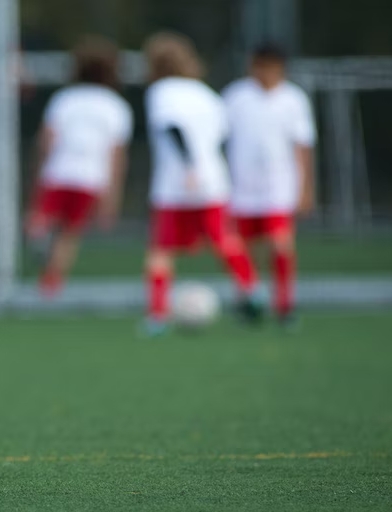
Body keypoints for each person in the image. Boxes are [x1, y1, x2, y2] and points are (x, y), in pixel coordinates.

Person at [142, 31, 262, 335]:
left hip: (175, 183)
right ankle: (252, 290)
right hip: (213, 181)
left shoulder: (161, 91)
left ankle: (157, 315)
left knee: (161, 250)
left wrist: (188, 165)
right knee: (224, 240)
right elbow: (222, 134)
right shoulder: (206, 93)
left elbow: (172, 126)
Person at [25, 35, 133, 296]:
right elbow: (116, 156)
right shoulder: (115, 106)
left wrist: (39, 173)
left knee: (40, 220)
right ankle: (51, 282)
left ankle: (38, 238)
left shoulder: (65, 99)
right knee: (70, 233)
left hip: (58, 172)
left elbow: (46, 140)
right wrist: (111, 198)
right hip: (90, 178)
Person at [222, 43, 317, 327]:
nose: (263, 72)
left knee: (280, 244)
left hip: (279, 188)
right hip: (241, 189)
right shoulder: (235, 96)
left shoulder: (293, 99)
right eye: (258, 65)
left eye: (269, 66)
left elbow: (303, 147)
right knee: (243, 249)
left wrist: (306, 189)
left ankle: (285, 305)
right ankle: (249, 302)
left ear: (280, 68)